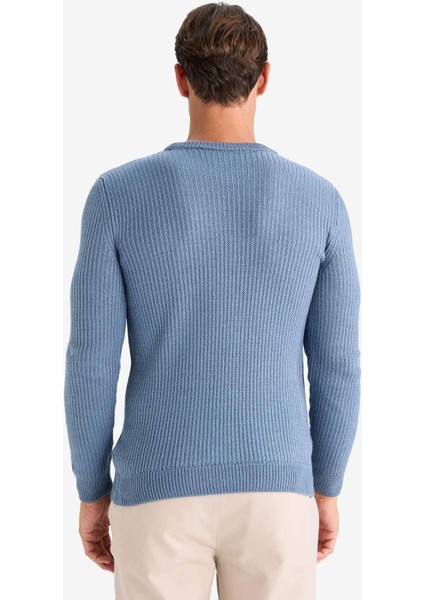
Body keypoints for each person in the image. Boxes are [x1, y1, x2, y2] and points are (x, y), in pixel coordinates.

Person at [64, 2, 361, 599]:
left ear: (181, 79)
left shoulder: (116, 196)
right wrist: (325, 486)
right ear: (264, 78)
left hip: (157, 492)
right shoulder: (319, 201)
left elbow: (91, 362)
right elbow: (338, 366)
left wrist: (92, 492)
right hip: (277, 492)